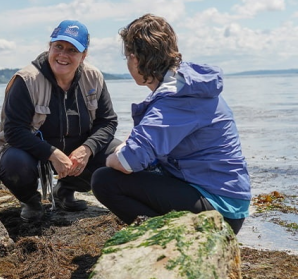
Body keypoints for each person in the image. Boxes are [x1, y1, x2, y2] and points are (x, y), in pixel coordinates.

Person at [91, 13, 251, 234]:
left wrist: (112, 157)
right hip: (223, 198)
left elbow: (128, 161)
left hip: (219, 208)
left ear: (136, 59)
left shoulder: (176, 98)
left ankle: (166, 239)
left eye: (127, 56)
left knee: (104, 180)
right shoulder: (186, 84)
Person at [0, 20, 121, 222]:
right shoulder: (26, 80)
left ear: (84, 55)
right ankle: (31, 202)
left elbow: (107, 122)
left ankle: (65, 191)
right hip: (35, 154)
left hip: (77, 152)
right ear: (50, 47)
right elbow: (13, 131)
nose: (63, 55)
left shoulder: (94, 77)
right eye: (59, 47)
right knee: (13, 162)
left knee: (119, 154)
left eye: (72, 50)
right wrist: (51, 153)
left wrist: (87, 149)